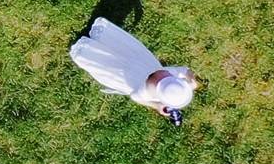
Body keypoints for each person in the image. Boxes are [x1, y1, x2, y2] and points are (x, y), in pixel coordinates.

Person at [69, 17, 200, 124]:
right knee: (107, 61)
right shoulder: (148, 92)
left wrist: (191, 82)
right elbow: (135, 97)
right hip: (126, 75)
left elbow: (186, 70)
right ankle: (85, 50)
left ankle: (102, 36)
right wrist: (157, 106)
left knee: (122, 49)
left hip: (141, 61)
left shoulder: (172, 74)